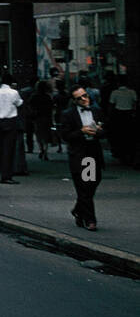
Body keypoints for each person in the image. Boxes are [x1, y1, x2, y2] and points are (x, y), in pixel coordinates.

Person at [60, 86, 105, 230]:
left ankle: (78, 210)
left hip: (93, 151)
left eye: (85, 95)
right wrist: (81, 131)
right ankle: (90, 220)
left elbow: (105, 131)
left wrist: (98, 132)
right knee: (86, 186)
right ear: (74, 101)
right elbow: (65, 136)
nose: (85, 99)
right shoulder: (68, 114)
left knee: (93, 182)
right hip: (81, 154)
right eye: (80, 98)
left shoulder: (96, 111)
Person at [0, 77, 24, 184]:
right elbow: (19, 104)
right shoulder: (14, 93)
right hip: (11, 122)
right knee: (10, 150)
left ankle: (3, 172)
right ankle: (7, 175)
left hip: (0, 122)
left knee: (1, 148)